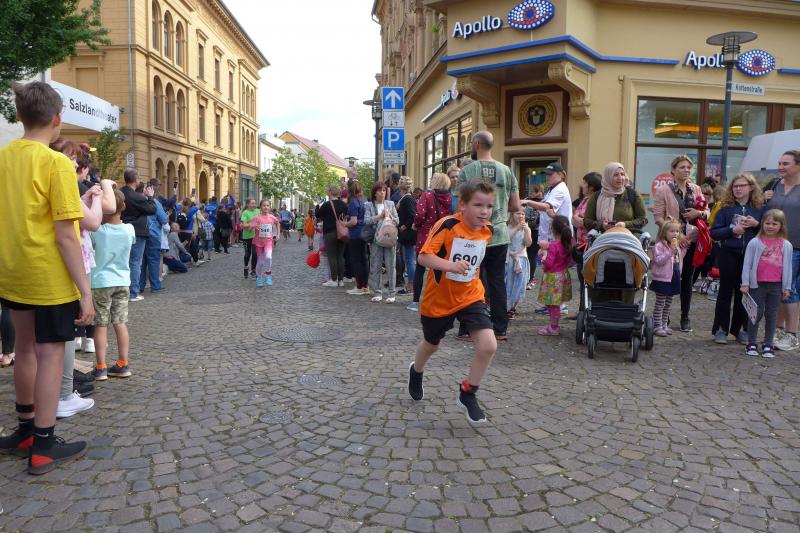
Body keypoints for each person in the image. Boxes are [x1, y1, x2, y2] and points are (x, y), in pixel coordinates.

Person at [0, 81, 94, 473]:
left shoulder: (4, 157)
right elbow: (66, 235)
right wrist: (85, 292)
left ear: (19, 116)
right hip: (49, 277)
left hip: (13, 271)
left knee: (24, 349)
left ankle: (24, 429)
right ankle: (43, 442)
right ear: (57, 119)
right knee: (51, 355)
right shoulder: (57, 164)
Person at [407, 179, 498, 424]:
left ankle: (468, 393)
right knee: (431, 344)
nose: (484, 211)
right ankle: (416, 371)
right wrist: (450, 265)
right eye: (478, 205)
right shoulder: (447, 225)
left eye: (489, 206)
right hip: (439, 300)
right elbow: (424, 257)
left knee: (488, 345)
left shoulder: (487, 230)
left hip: (470, 296)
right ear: (463, 205)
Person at [456, 131, 521, 341]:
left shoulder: (468, 171)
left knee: (470, 279)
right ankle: (500, 328)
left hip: (473, 234)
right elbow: (515, 205)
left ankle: (468, 328)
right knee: (496, 281)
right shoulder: (506, 171)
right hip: (499, 233)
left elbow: (460, 206)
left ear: (476, 144)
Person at [652, 155, 709, 333]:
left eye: (688, 168)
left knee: (688, 280)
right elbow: (658, 217)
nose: (686, 170)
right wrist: (675, 234)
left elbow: (707, 210)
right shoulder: (664, 190)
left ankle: (685, 316)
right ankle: (664, 318)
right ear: (673, 170)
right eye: (682, 167)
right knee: (670, 277)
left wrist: (698, 214)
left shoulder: (696, 189)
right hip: (671, 243)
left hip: (691, 241)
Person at [709, 173, 763, 344]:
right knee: (725, 292)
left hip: (750, 256)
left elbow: (771, 231)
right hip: (729, 253)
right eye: (735, 186)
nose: (738, 189)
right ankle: (721, 329)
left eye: (742, 186)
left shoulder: (759, 208)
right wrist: (732, 230)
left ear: (751, 187)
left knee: (745, 293)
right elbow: (714, 233)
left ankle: (741, 329)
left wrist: (757, 225)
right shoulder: (725, 209)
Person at [90, 189, 136, 380]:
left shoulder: (98, 231)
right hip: (122, 281)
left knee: (101, 324)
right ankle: (123, 363)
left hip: (101, 281)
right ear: (123, 207)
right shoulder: (129, 229)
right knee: (120, 322)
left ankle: (101, 367)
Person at [741, 209, 793, 358]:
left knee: (771, 315)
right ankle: (751, 342)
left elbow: (788, 267)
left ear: (781, 226)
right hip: (757, 285)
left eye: (774, 224)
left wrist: (786, 287)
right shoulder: (755, 242)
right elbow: (747, 264)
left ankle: (768, 343)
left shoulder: (786, 245)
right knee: (755, 314)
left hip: (776, 286)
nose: (770, 226)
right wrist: (745, 283)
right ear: (762, 223)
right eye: (767, 223)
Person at [764, 150, 800, 352]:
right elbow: (761, 210)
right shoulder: (773, 185)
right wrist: (763, 198)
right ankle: (778, 330)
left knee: (791, 289)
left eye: (786, 163)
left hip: (796, 246)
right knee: (782, 289)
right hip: (776, 246)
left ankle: (791, 334)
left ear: (798, 165)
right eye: (779, 163)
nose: (780, 167)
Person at [410, 173, 453, 311]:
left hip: (427, 236)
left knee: (420, 269)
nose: (430, 180)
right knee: (439, 268)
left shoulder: (427, 196)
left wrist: (416, 225)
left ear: (436, 182)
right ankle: (439, 300)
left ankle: (416, 302)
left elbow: (420, 215)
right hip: (443, 236)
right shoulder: (450, 198)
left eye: (432, 178)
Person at [120, 168, 157, 302]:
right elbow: (152, 209)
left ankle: (122, 291)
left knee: (123, 261)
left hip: (121, 230)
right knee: (135, 262)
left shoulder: (120, 193)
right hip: (137, 232)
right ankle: (133, 292)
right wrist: (150, 197)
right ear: (135, 180)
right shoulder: (137, 197)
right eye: (139, 178)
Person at [582, 163, 647, 233]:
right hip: (603, 238)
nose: (620, 178)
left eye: (622, 174)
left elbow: (643, 220)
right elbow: (587, 221)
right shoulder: (596, 196)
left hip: (628, 237)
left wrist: (625, 224)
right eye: (616, 175)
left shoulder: (633, 194)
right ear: (608, 176)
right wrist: (602, 225)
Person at [537, 216, 573, 336]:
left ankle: (554, 327)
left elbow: (549, 263)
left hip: (553, 278)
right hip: (563, 275)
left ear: (552, 229)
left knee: (553, 304)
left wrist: (542, 257)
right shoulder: (567, 244)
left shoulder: (553, 245)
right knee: (555, 303)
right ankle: (553, 325)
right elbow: (569, 261)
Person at [571, 173, 602, 310]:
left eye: (584, 183)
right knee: (581, 277)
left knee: (587, 278)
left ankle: (589, 310)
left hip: (590, 245)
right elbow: (575, 219)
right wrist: (577, 221)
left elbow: (594, 222)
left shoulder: (596, 200)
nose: (582, 185)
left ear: (591, 186)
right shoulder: (584, 199)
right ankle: (582, 310)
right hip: (581, 244)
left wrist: (581, 222)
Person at [365, 182, 399, 302]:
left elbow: (397, 221)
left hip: (389, 239)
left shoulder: (390, 204)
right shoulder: (369, 205)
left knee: (391, 266)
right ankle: (377, 292)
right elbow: (366, 221)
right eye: (380, 191)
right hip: (376, 240)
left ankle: (391, 294)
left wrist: (390, 216)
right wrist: (379, 217)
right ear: (375, 193)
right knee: (375, 266)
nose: (382, 193)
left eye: (384, 190)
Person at [650, 221, 685, 336]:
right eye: (672, 231)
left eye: (677, 231)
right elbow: (659, 261)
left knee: (668, 304)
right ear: (664, 233)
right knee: (660, 303)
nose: (675, 233)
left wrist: (683, 249)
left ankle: (664, 324)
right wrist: (670, 251)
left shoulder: (677, 246)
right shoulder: (659, 246)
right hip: (662, 279)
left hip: (673, 278)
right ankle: (657, 325)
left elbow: (679, 261)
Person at [315, 186, 348, 287]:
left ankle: (333, 280)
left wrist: (318, 205)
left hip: (330, 233)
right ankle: (341, 280)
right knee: (340, 256)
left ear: (330, 192)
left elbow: (318, 215)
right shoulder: (343, 205)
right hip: (342, 232)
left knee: (332, 256)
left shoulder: (327, 205)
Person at [139, 185, 168, 294]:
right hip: (153, 234)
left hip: (139, 233)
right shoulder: (155, 202)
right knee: (154, 260)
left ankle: (139, 285)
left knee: (141, 261)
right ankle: (155, 285)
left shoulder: (136, 201)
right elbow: (164, 219)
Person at [505, 211, 532, 319]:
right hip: (509, 259)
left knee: (519, 283)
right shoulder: (507, 226)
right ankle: (505, 306)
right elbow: (506, 239)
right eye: (518, 213)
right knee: (507, 282)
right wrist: (517, 228)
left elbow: (528, 243)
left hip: (521, 259)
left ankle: (512, 308)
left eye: (523, 214)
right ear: (512, 214)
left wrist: (526, 231)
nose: (521, 216)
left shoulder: (526, 228)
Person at [345, 182, 370, 295]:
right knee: (364, 259)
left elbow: (353, 221)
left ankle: (359, 286)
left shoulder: (353, 202)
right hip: (365, 232)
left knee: (356, 260)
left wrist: (345, 224)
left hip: (355, 234)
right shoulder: (365, 200)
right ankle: (365, 286)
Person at [248, 199, 280, 288]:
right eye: (264, 205)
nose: (266, 207)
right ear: (260, 207)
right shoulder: (257, 217)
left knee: (268, 257)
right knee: (260, 262)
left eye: (267, 205)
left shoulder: (272, 217)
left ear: (270, 207)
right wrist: (254, 226)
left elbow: (278, 223)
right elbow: (249, 229)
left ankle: (268, 274)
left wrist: (278, 234)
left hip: (268, 241)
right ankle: (259, 278)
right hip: (259, 242)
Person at [396, 176, 417, 295]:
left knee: (409, 259)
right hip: (408, 234)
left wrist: (404, 226)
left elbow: (412, 215)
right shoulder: (407, 198)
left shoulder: (407, 199)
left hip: (408, 234)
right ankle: (411, 285)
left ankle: (411, 286)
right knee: (409, 259)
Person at [524, 183, 545, 291]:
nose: (531, 193)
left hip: (534, 231)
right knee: (527, 255)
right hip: (530, 230)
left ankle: (529, 278)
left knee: (531, 256)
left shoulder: (541, 202)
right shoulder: (528, 201)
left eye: (534, 191)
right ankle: (526, 278)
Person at [240, 198, 259, 278]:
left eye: (255, 203)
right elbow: (244, 225)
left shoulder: (258, 211)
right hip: (247, 237)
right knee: (247, 254)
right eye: (252, 203)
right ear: (248, 204)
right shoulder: (245, 212)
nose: (254, 205)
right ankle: (246, 267)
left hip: (256, 237)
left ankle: (253, 270)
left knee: (255, 254)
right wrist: (253, 225)